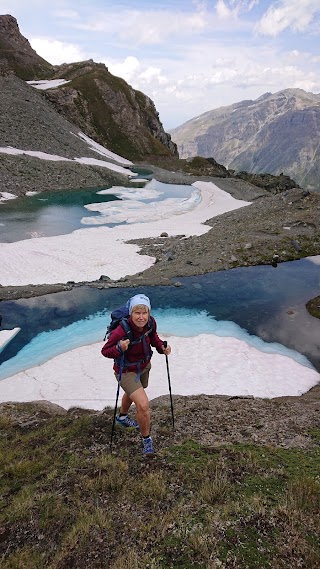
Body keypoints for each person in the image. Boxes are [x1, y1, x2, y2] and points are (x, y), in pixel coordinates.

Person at [101, 294, 171, 456]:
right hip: (126, 371)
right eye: (137, 313)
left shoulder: (151, 323)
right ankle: (147, 440)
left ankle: (123, 417)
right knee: (143, 405)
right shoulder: (121, 330)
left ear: (148, 313)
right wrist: (119, 348)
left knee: (134, 392)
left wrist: (162, 348)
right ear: (131, 313)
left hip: (144, 366)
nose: (141, 317)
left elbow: (153, 338)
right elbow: (105, 351)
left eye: (144, 313)